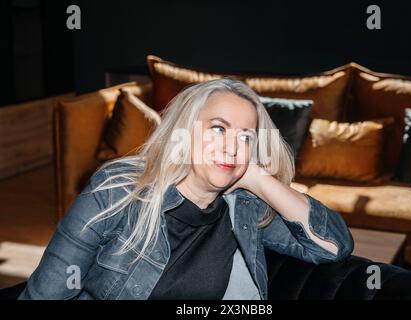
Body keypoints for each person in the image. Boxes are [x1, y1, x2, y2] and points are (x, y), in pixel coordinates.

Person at [19, 78, 354, 300]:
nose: (232, 146)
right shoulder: (118, 190)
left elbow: (331, 246)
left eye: (245, 136)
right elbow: (44, 295)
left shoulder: (244, 207)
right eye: (219, 129)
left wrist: (257, 178)